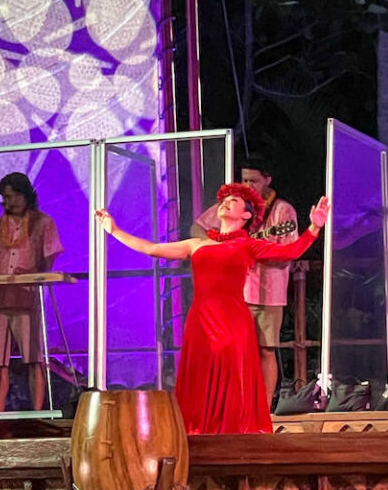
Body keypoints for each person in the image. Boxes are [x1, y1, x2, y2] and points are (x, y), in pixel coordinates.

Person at [96, 185, 329, 434]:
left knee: (230, 378)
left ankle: (232, 436)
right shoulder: (197, 244)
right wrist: (115, 230)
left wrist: (314, 228)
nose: (225, 203)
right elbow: (152, 249)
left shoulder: (248, 245)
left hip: (232, 321)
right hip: (200, 321)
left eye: (233, 200)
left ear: (247, 215)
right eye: (224, 200)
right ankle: (198, 435)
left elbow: (290, 251)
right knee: (200, 378)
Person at [192, 161, 298, 409]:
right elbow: (198, 226)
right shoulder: (233, 206)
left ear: (268, 180)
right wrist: (217, 249)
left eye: (254, 181)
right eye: (244, 180)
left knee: (265, 349)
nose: (247, 185)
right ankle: (231, 405)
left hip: (268, 291)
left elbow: (288, 251)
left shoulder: (282, 211)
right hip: (232, 292)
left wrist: (252, 250)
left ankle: (261, 407)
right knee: (229, 350)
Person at [0, 172, 63, 411]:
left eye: (13, 196)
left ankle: (37, 413)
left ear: (25, 195)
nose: (9, 202)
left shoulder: (43, 223)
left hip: (27, 298)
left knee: (34, 358)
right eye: (5, 197)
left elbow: (50, 258)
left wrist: (31, 270)